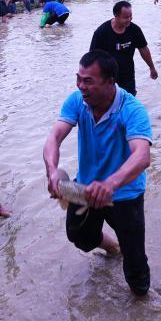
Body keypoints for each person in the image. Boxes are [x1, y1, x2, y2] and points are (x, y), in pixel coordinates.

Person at [43, 50, 153, 296]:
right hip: (85, 188)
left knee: (136, 263)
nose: (81, 86)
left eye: (88, 81)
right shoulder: (77, 101)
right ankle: (113, 248)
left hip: (124, 193)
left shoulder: (132, 110)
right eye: (78, 79)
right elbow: (55, 136)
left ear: (110, 81)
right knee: (79, 237)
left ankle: (141, 301)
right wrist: (52, 171)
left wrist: (109, 185)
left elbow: (142, 156)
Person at [89, 1, 158, 96]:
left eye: (131, 16)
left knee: (129, 101)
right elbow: (92, 57)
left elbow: (143, 49)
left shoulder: (134, 30)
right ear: (116, 15)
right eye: (126, 17)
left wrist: (152, 68)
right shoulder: (101, 32)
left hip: (128, 75)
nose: (129, 19)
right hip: (108, 77)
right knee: (109, 102)